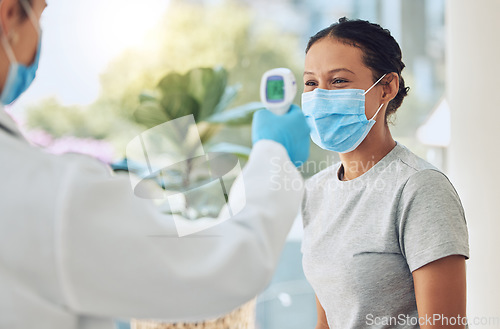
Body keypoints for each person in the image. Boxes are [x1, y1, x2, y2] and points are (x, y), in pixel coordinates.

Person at [0, 0, 311, 328]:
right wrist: (275, 152)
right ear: (9, 15)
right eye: (41, 13)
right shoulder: (51, 198)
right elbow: (226, 268)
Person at [300, 18, 469, 329]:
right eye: (311, 83)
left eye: (338, 81)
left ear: (387, 88)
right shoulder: (316, 191)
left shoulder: (419, 188)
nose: (320, 96)